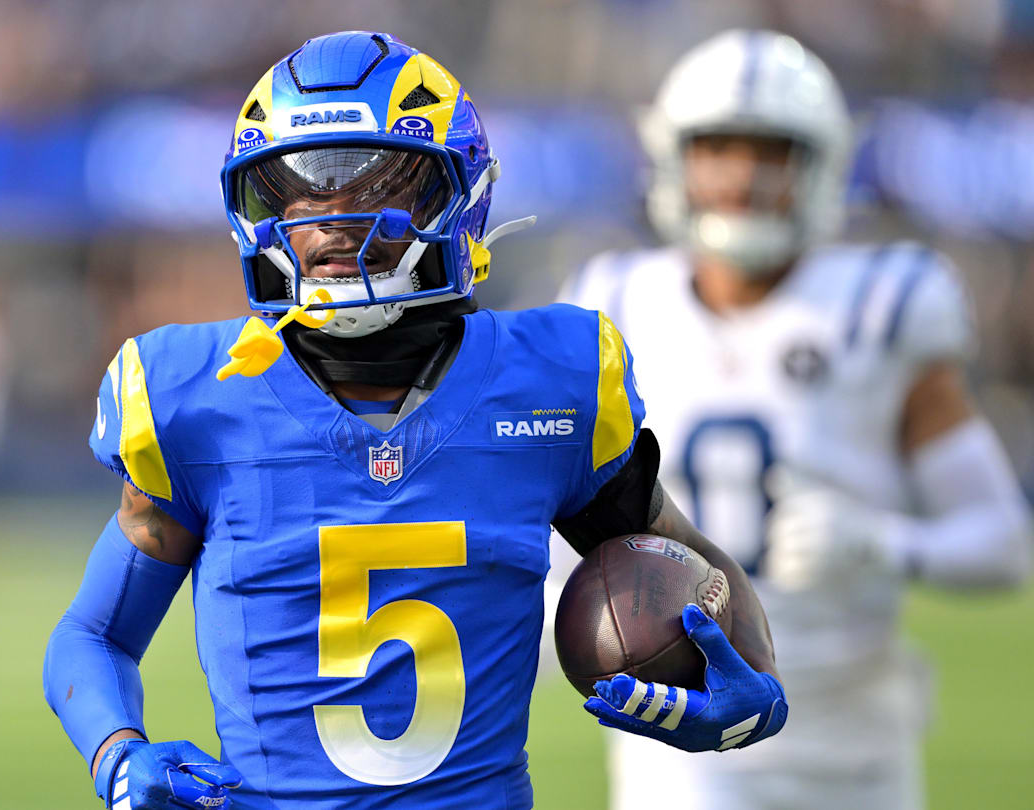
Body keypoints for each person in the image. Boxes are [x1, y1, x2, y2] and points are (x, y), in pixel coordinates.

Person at [44, 31, 789, 809]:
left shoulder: (552, 386)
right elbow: (93, 635)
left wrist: (755, 694)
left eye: (373, 186)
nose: (334, 221)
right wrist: (118, 756)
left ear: (458, 195)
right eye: (299, 190)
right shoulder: (194, 398)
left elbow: (701, 571)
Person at [556, 29, 1034, 810]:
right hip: (685, 748)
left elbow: (1003, 546)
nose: (742, 176)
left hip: (856, 739)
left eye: (770, 152)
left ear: (822, 164)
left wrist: (881, 543)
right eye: (719, 149)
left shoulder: (882, 305)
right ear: (673, 157)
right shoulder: (615, 302)